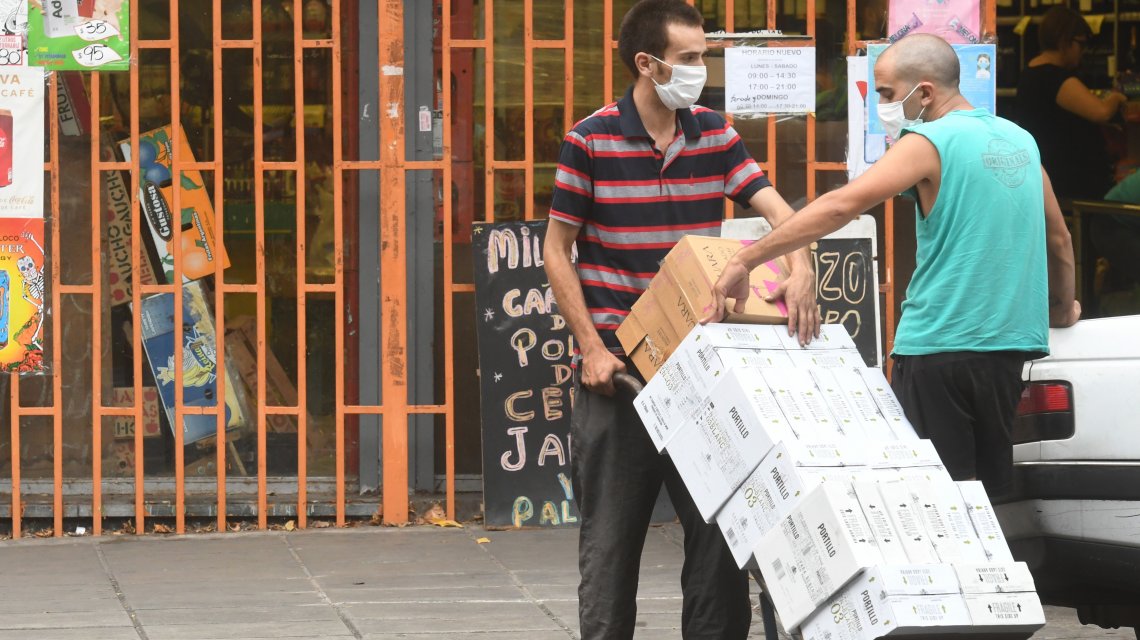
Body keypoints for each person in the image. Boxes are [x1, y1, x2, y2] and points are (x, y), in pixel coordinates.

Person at [543, 1, 820, 637]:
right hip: (618, 370)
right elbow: (558, 250)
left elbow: (784, 214)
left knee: (720, 536)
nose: (700, 70)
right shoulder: (591, 139)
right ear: (649, 62)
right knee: (611, 547)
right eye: (690, 58)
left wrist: (800, 264)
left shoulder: (715, 135)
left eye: (702, 57)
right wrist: (591, 348)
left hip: (699, 367)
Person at [705, 34, 1081, 499]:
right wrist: (1062, 310)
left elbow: (842, 205)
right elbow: (1059, 239)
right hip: (1007, 351)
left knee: (935, 504)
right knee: (986, 505)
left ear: (924, 92)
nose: (882, 104)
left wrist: (745, 257)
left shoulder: (929, 139)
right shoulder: (1021, 140)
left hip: (938, 348)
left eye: (885, 93)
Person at [1015, 6, 1127, 200]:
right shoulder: (1055, 77)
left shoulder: (1029, 72)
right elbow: (1101, 112)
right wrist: (1116, 97)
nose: (1082, 52)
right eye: (1081, 44)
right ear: (1064, 40)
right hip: (1070, 182)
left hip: (1046, 175)